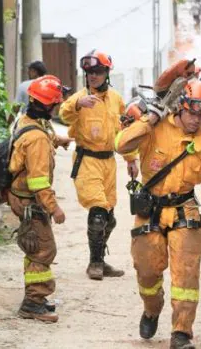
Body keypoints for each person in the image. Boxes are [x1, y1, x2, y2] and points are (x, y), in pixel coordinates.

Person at [115, 60, 201, 348]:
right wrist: (148, 120)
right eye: (194, 113)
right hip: (151, 211)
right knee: (147, 271)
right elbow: (121, 145)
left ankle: (181, 332)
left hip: (185, 211)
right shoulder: (155, 129)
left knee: (186, 275)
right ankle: (151, 308)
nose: (198, 121)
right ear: (181, 106)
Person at [59, 49, 138, 280]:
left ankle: (100, 260)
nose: (93, 76)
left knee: (109, 217)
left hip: (108, 163)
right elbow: (64, 114)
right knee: (98, 212)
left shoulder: (116, 100)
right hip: (87, 161)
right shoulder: (80, 97)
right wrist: (78, 104)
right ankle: (94, 263)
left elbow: (125, 132)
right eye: (89, 72)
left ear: (106, 73)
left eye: (98, 71)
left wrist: (132, 159)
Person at [4, 75, 72, 322]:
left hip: (20, 196)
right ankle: (33, 303)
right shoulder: (37, 140)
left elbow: (41, 133)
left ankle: (36, 298)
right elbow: (39, 182)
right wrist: (54, 209)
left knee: (34, 247)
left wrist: (60, 140)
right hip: (29, 201)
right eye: (55, 104)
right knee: (43, 250)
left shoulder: (28, 120)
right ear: (48, 106)